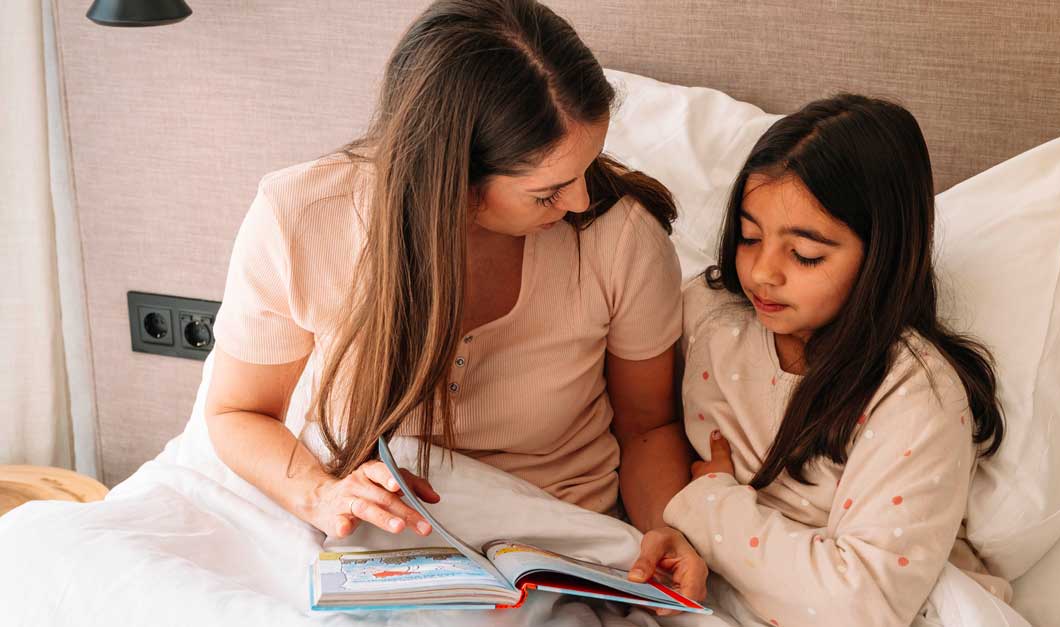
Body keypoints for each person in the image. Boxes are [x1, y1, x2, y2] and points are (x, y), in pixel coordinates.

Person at [203, 0, 706, 609]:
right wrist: (322, 495)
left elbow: (647, 426)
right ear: (453, 179)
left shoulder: (620, 239)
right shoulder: (299, 220)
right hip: (390, 533)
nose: (580, 202)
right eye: (547, 191)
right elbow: (237, 413)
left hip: (560, 539)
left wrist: (663, 528)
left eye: (588, 166)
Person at [663, 95, 1010, 626]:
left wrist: (710, 502)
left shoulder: (916, 395)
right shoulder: (711, 317)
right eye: (750, 237)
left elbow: (856, 605)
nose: (762, 273)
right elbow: (640, 426)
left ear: (881, 255)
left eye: (805, 255)